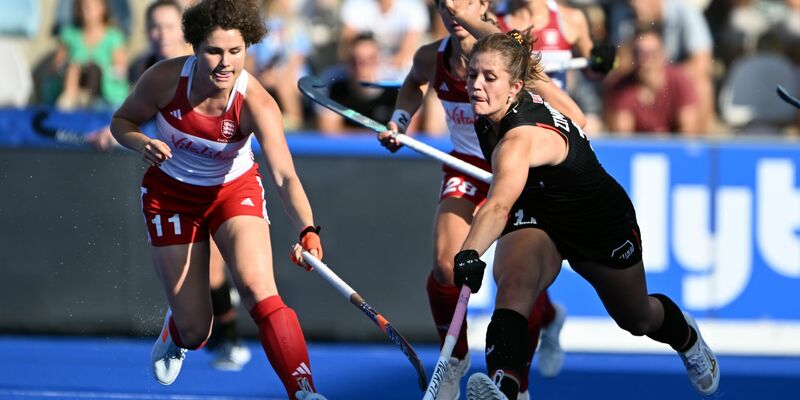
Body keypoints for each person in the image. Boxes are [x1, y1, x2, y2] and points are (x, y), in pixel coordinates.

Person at [454, 31, 719, 400]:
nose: (476, 86)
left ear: (515, 86)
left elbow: (497, 206)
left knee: (636, 318)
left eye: (489, 78)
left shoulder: (517, 141)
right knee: (514, 284)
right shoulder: (501, 100)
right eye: (472, 76)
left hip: (597, 222)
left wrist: (468, 253)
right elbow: (575, 114)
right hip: (540, 213)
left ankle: (686, 336)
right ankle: (507, 387)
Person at [109, 1, 326, 399]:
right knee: (196, 332)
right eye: (214, 51)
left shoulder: (257, 103)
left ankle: (303, 390)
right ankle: (178, 328)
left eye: (236, 51)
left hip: (232, 191)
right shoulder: (163, 79)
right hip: (170, 196)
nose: (226, 63)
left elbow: (284, 176)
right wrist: (141, 143)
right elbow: (121, 122)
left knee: (260, 289)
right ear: (194, 47)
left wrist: (308, 228)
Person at [378, 1, 585, 398]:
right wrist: (399, 121)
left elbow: (574, 116)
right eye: (445, 5)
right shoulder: (431, 56)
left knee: (521, 283)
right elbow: (412, 84)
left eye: (464, 3)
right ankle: (454, 359)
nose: (454, 13)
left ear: (484, 6)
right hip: (466, 169)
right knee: (445, 266)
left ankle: (520, 373)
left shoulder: (509, 55)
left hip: (518, 168)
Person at [604, 26, 699, 135]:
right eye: (640, 53)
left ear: (663, 54)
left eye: (652, 54)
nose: (646, 60)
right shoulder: (622, 87)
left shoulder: (680, 80)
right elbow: (622, 138)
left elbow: (689, 131)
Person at [49, 0, 129, 110]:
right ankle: (71, 100)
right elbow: (55, 66)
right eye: (83, 7)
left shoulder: (113, 36)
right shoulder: (69, 34)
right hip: (73, 87)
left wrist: (101, 69)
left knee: (93, 70)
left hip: (104, 94)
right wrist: (73, 67)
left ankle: (87, 100)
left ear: (103, 8)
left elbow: (121, 70)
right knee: (73, 67)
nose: (86, 11)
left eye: (91, 7)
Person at [317, 33, 400, 134]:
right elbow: (328, 132)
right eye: (355, 60)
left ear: (379, 60)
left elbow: (407, 134)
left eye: (370, 60)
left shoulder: (397, 85)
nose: (361, 68)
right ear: (347, 61)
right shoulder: (332, 83)